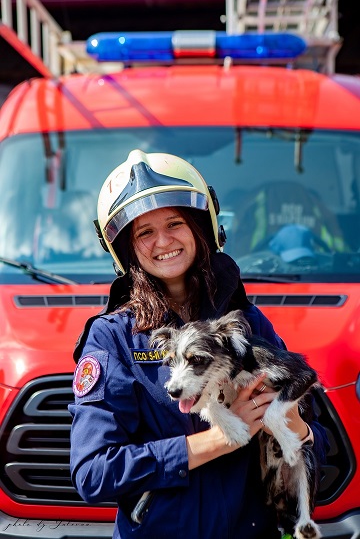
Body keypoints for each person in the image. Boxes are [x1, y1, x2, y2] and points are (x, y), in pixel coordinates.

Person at [69, 149, 328, 539]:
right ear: (126, 248)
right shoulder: (113, 337)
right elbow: (94, 473)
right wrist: (220, 437)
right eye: (144, 231)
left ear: (200, 228)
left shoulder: (248, 322)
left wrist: (290, 421)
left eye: (174, 223)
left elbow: (320, 450)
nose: (163, 241)